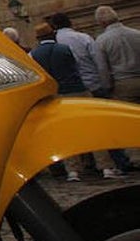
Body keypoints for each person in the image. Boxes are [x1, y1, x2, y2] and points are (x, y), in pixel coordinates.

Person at [29, 22, 121, 181]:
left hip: (55, 96)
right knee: (92, 129)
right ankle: (106, 167)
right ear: (53, 34)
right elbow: (76, 67)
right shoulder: (64, 49)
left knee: (63, 134)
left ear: (38, 38)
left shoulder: (33, 54)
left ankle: (73, 171)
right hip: (78, 91)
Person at [95, 5, 140, 105]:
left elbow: (103, 68)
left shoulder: (102, 40)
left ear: (102, 23)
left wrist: (107, 88)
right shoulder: (137, 33)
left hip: (123, 84)